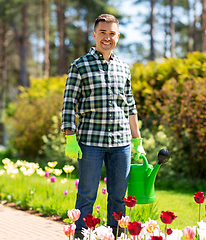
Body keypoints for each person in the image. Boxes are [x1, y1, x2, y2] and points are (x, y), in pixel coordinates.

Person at [61, 14, 146, 239]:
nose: (107, 37)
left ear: (117, 36)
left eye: (112, 33)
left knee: (119, 196)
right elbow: (69, 103)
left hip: (121, 144)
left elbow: (130, 106)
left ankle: (115, 235)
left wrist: (137, 141)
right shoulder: (79, 66)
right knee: (87, 194)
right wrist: (70, 136)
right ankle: (81, 236)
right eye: (103, 32)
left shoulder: (123, 68)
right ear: (94, 35)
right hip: (90, 143)